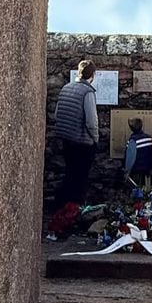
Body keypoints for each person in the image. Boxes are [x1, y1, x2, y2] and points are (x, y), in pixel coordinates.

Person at [53, 59, 98, 207]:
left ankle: (64, 207)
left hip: (66, 139)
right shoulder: (88, 92)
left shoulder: (66, 88)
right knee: (80, 178)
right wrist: (95, 139)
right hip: (82, 142)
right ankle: (75, 210)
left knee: (70, 174)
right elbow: (91, 121)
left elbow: (57, 113)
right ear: (93, 75)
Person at [124, 117, 152, 188]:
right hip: (147, 169)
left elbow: (130, 158)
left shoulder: (133, 140)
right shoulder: (148, 138)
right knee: (146, 190)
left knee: (136, 191)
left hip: (136, 170)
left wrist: (127, 171)